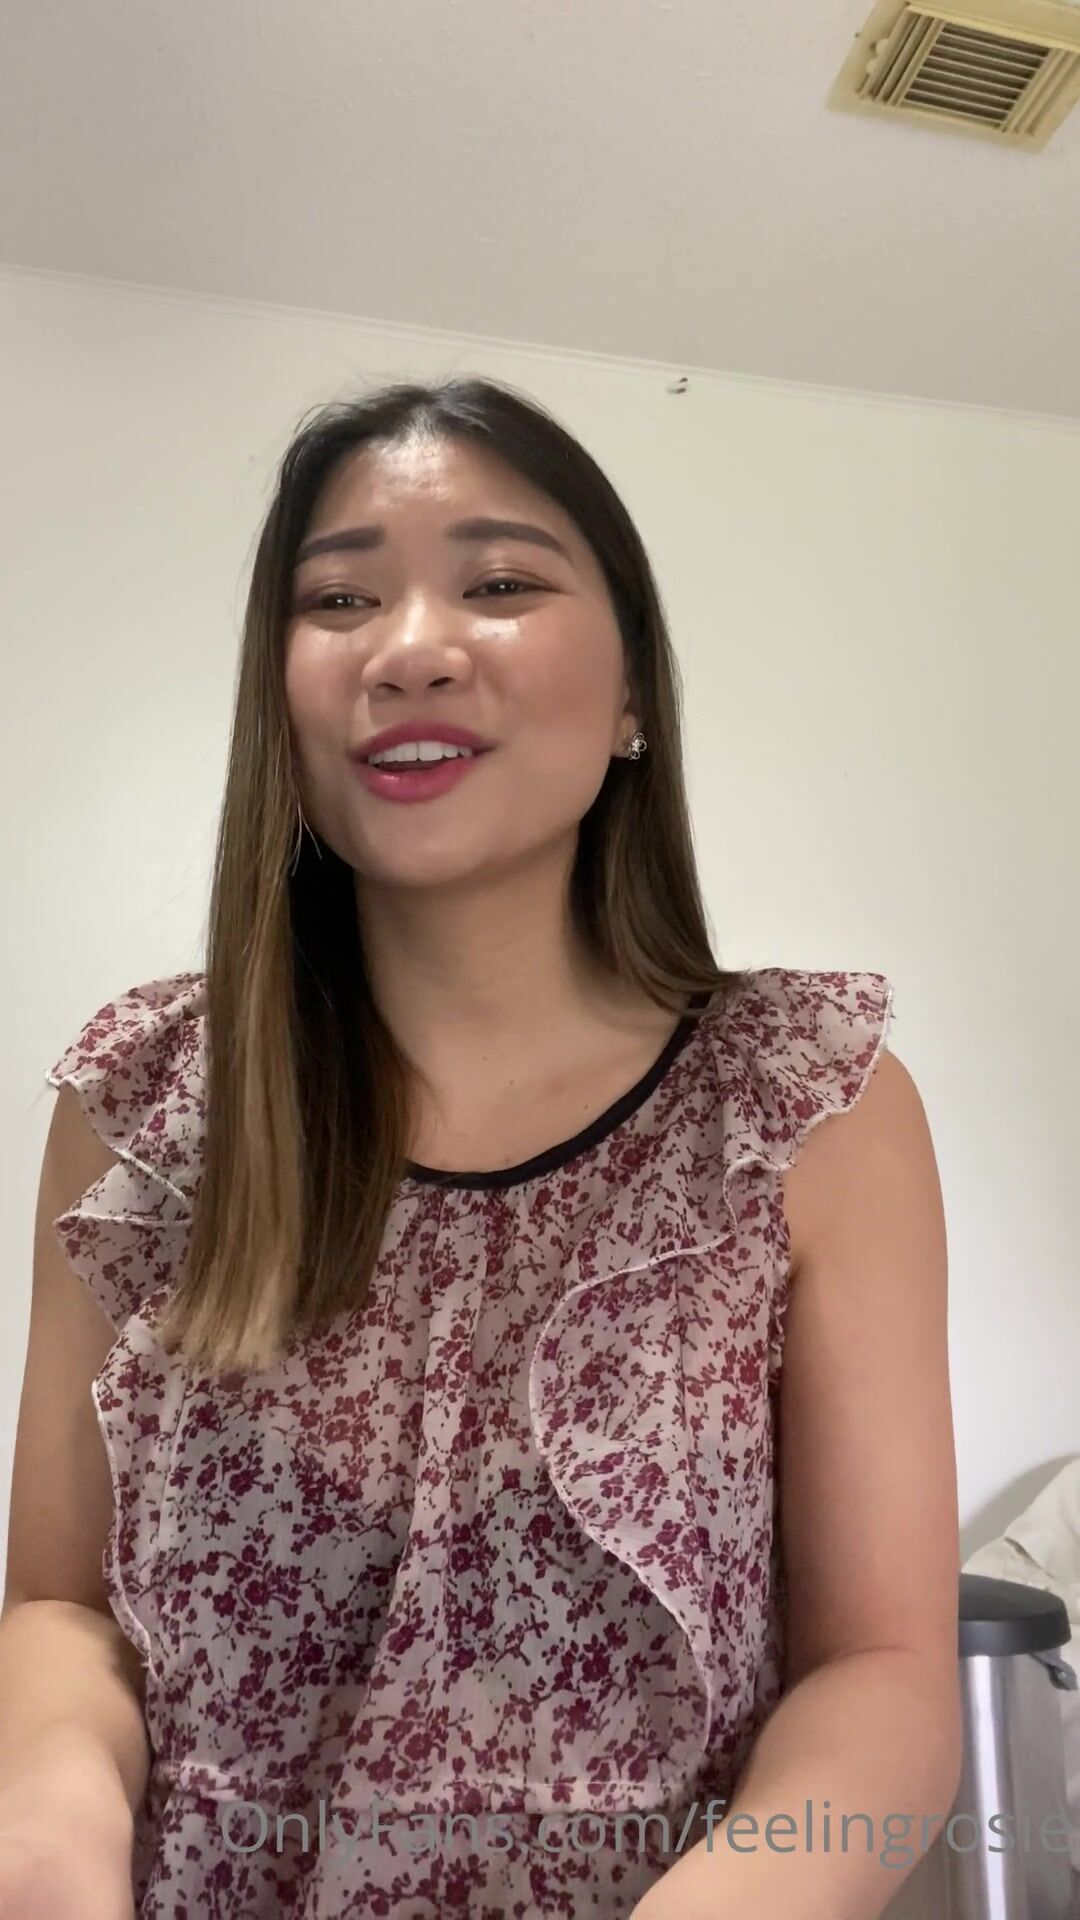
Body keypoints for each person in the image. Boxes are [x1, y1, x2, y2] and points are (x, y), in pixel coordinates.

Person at [0, 377, 961, 1919]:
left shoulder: (807, 1104)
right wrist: (46, 1843)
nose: (409, 648)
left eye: (501, 583)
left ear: (635, 693)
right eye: (338, 600)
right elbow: (59, 1606)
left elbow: (886, 1675)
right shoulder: (143, 1107)